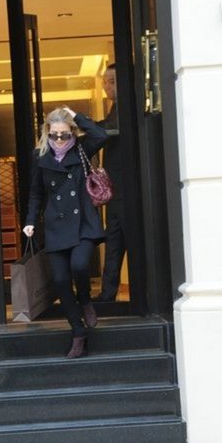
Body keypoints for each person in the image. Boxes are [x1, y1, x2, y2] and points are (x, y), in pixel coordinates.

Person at [23, 106, 108, 359]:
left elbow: (101, 135)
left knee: (79, 266)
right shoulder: (40, 155)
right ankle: (78, 332)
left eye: (65, 134)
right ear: (47, 132)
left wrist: (76, 116)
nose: (59, 140)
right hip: (56, 226)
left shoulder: (81, 148)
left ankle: (85, 300)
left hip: (83, 224)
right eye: (54, 135)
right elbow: (36, 192)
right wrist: (31, 221)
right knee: (60, 281)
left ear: (72, 131)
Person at [94, 63, 127, 302]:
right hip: (115, 191)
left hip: (127, 191)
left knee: (121, 242)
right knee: (113, 243)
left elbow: (108, 130)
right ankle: (107, 296)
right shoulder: (115, 107)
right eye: (105, 81)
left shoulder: (126, 107)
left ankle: (142, 296)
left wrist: (82, 123)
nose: (107, 86)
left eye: (112, 81)